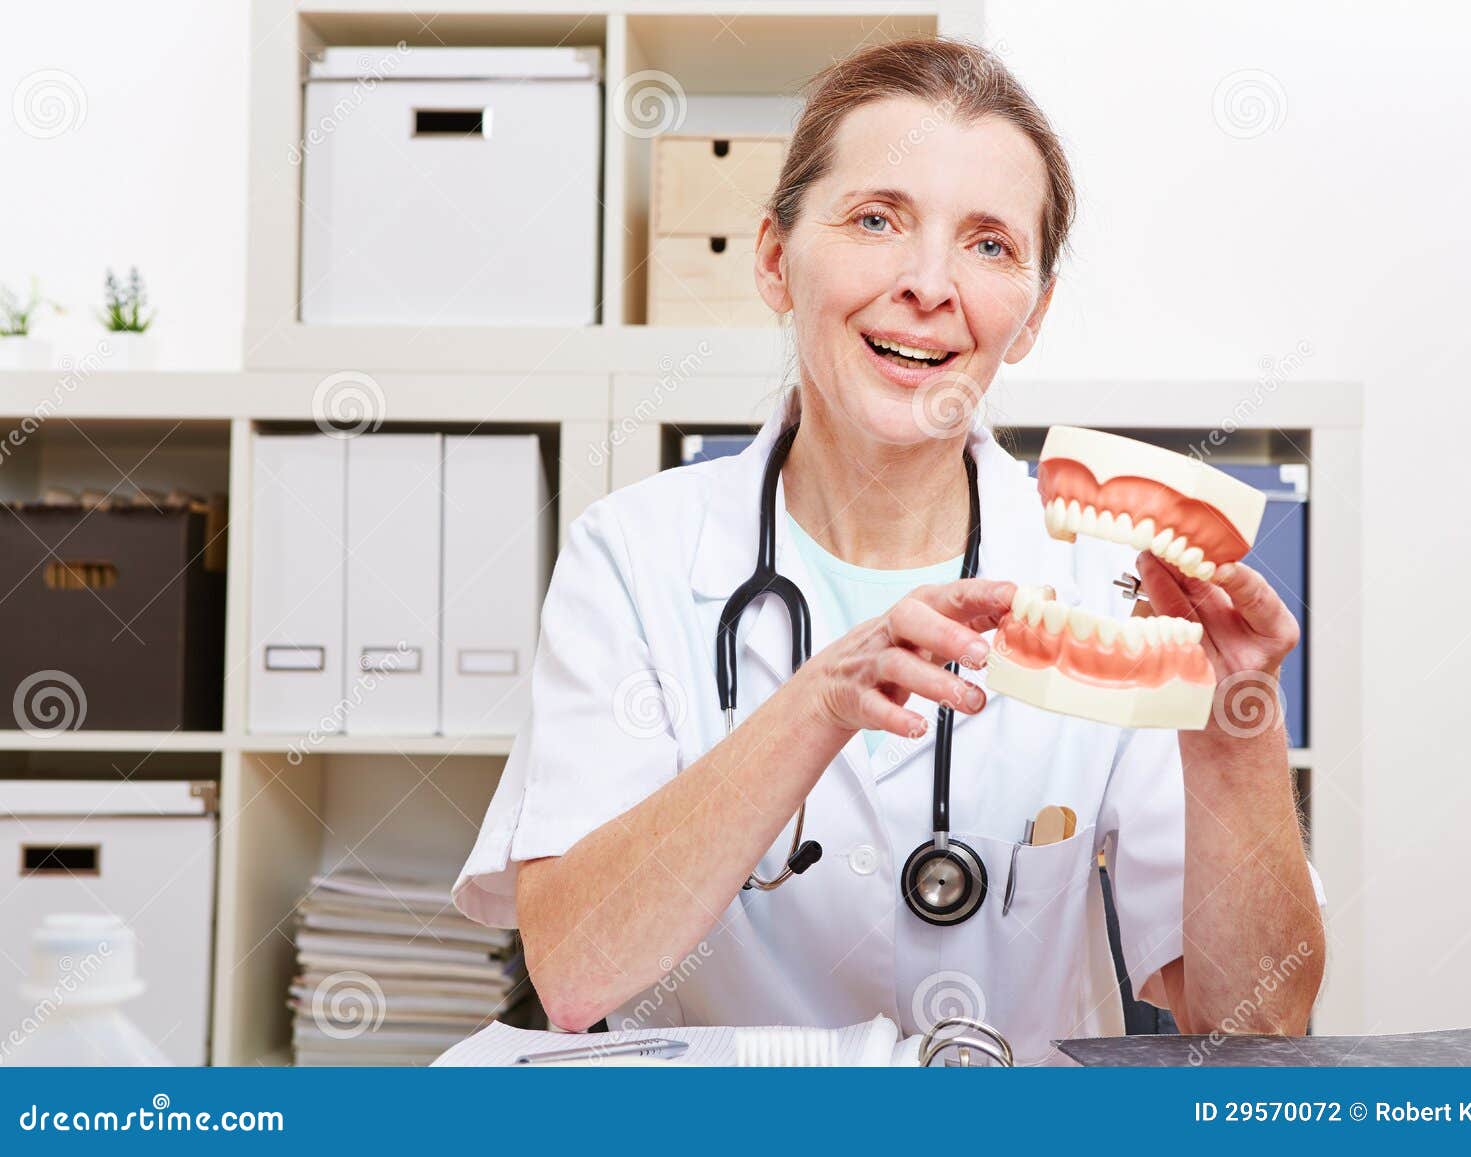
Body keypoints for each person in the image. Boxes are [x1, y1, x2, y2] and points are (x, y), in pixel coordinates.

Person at [453, 36, 1325, 1063]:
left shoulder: (1113, 581)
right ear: (776, 260)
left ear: (1032, 315)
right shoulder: (634, 554)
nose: (927, 284)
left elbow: (1251, 1027)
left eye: (989, 244)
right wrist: (817, 702)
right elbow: (574, 970)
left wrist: (1232, 737)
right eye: (876, 219)